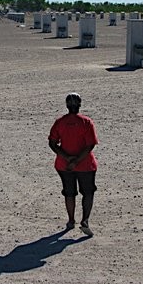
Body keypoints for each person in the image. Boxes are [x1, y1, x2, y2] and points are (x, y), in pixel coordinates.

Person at [48, 93, 99, 237]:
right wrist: (77, 161)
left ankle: (71, 221)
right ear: (80, 104)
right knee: (88, 192)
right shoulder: (86, 122)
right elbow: (90, 145)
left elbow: (52, 143)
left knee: (69, 192)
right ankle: (85, 220)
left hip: (64, 166)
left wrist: (66, 158)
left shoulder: (60, 122)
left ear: (66, 105)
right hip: (85, 165)